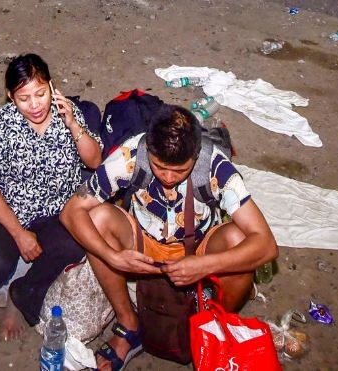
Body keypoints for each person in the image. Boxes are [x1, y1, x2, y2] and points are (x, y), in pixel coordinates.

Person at [60, 105, 278, 371]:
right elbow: (71, 212)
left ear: (195, 155)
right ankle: (128, 323)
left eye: (180, 171)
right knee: (97, 219)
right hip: (144, 241)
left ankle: (212, 331)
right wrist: (113, 257)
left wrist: (204, 265)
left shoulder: (215, 166)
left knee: (238, 238)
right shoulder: (132, 154)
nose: (168, 178)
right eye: (160, 167)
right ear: (149, 151)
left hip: (198, 247)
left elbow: (266, 245)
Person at [0, 54, 102, 339]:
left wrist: (74, 126)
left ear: (51, 86)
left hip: (55, 209)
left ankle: (23, 292)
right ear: (10, 96)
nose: (35, 105)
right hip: (10, 210)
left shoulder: (68, 113)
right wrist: (19, 234)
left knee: (75, 245)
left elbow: (94, 161)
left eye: (41, 94)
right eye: (24, 98)